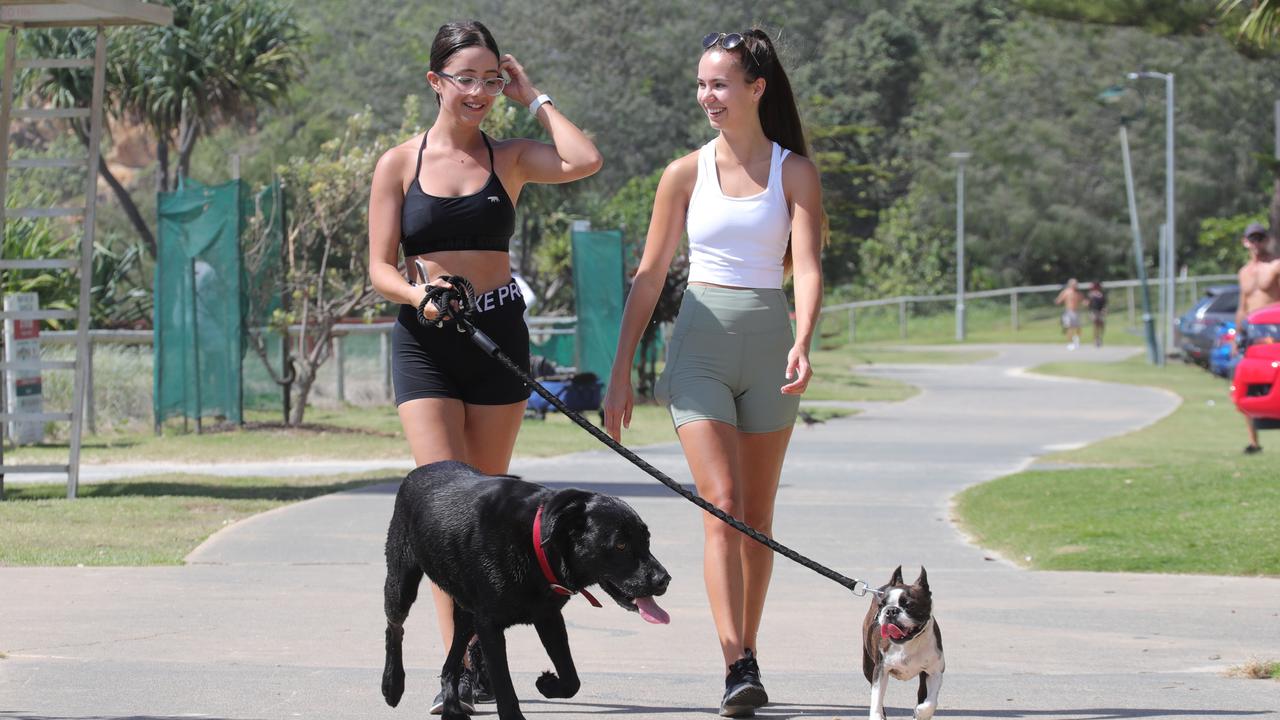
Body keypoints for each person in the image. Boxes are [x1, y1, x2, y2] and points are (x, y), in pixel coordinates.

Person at [367, 19, 602, 714]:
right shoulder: (397, 163)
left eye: (491, 79)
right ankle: (464, 671)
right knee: (448, 512)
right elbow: (379, 266)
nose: (479, 92)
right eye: (465, 78)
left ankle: (468, 661)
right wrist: (418, 293)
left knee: (489, 509)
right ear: (436, 80)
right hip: (426, 338)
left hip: (497, 334)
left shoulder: (513, 157)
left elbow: (584, 159)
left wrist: (536, 97)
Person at [602, 29, 824, 718]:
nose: (708, 96)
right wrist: (619, 372)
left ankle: (746, 652)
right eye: (701, 84)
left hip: (769, 349)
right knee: (721, 504)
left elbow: (809, 266)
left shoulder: (794, 171)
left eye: (720, 83)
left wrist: (805, 340)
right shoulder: (683, 173)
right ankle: (736, 661)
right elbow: (647, 276)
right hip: (698, 347)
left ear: (757, 88)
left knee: (757, 517)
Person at [1233, 222, 1280, 454]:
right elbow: (1243, 306)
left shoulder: (1275, 266)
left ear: (1267, 239)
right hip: (1251, 335)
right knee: (1249, 385)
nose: (1257, 243)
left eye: (1260, 238)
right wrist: (1236, 335)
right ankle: (1254, 442)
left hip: (1273, 332)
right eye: (1253, 238)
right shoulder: (1244, 272)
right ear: (1245, 242)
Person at [1055, 278, 1084, 350]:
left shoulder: (1078, 293)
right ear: (1070, 284)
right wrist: (1058, 301)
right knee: (1069, 327)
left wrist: (1086, 302)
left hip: (1076, 312)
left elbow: (1083, 300)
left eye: (1076, 284)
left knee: (1078, 327)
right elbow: (1059, 300)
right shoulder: (1066, 292)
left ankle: (1076, 341)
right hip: (1068, 312)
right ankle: (1070, 343)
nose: (1076, 285)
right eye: (1074, 284)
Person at [1087, 281, 1107, 348]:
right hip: (1094, 311)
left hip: (1100, 311)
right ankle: (1095, 340)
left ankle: (1100, 338)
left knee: (1102, 325)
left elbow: (1104, 303)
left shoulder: (1101, 294)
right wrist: (1090, 313)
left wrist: (1104, 309)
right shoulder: (1091, 294)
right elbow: (1089, 305)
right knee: (1095, 325)